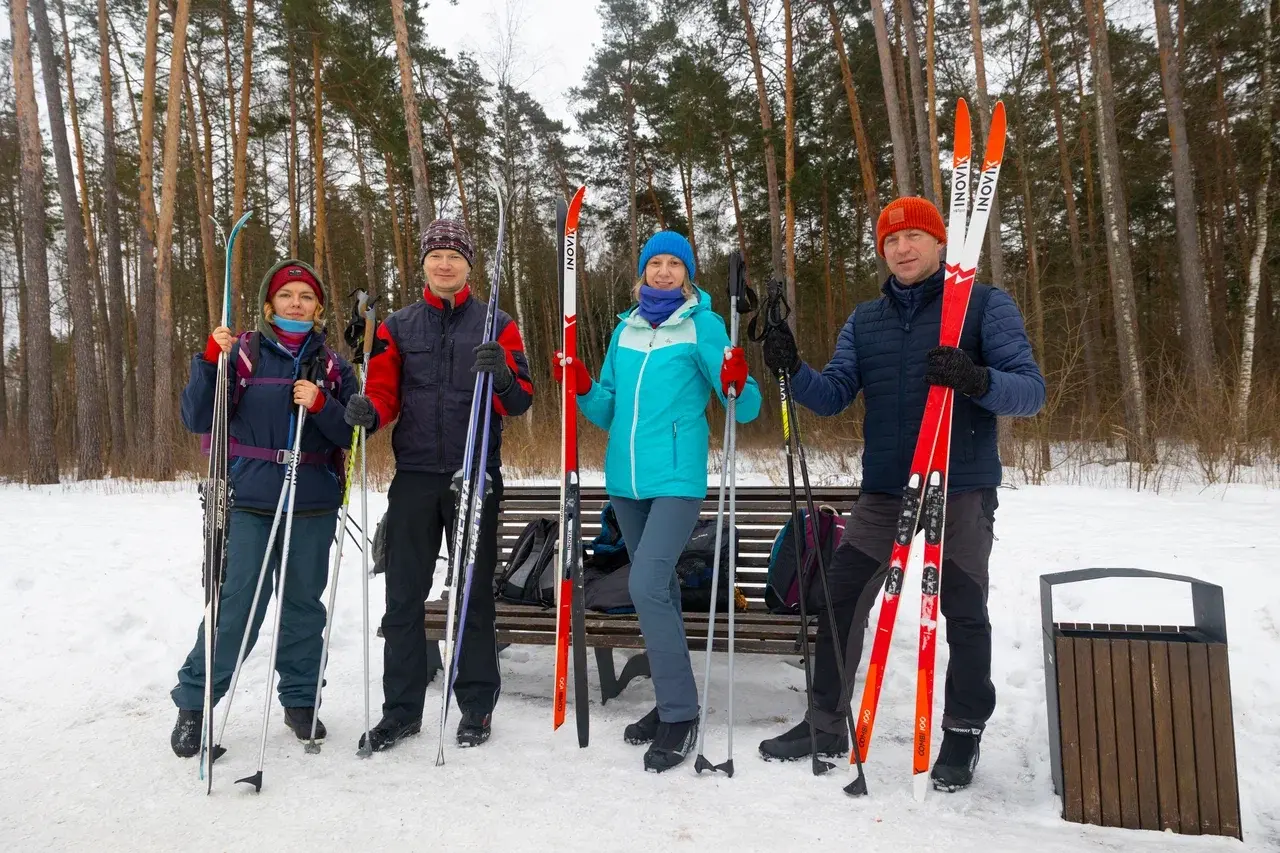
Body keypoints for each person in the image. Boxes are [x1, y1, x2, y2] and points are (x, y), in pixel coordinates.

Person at [756, 196, 1045, 792]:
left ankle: (962, 733)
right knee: (841, 598)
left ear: (940, 243)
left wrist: (976, 378)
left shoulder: (983, 305)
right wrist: (792, 367)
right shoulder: (866, 320)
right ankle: (825, 723)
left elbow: (1030, 392)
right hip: (887, 487)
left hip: (959, 487)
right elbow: (833, 393)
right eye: (891, 240)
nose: (902, 248)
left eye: (914, 236)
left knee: (963, 612)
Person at [554, 230, 762, 772]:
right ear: (642, 271)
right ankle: (679, 702)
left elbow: (744, 408)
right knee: (660, 591)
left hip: (676, 480)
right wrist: (580, 384)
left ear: (687, 273)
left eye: (675, 264)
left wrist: (738, 381)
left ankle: (677, 715)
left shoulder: (703, 326)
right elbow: (607, 411)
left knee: (645, 584)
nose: (664, 272)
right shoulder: (624, 329)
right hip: (625, 483)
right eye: (656, 263)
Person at [343, 218, 534, 752]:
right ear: (423, 263)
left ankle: (476, 706)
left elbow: (521, 400)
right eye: (436, 255)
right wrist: (366, 412)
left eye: (455, 255)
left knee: (471, 596)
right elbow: (383, 393)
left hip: (475, 475)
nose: (445, 263)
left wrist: (501, 375)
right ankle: (401, 712)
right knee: (403, 597)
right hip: (415, 479)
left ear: (470, 265)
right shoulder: (399, 327)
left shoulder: (499, 322)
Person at [170, 260, 358, 757]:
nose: (296, 303)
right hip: (252, 500)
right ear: (270, 303)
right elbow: (196, 417)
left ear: (319, 307)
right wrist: (211, 359)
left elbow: (355, 433)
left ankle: (300, 702)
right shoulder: (245, 354)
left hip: (313, 503)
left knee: (303, 609)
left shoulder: (335, 365)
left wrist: (322, 405)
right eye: (286, 295)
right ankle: (194, 704)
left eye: (305, 296)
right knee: (238, 610)